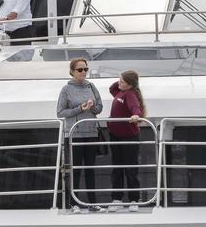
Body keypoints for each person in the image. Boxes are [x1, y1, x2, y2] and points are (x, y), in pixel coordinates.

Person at [56, 58, 103, 209]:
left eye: (85, 69)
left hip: (91, 133)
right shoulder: (66, 89)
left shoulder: (91, 86)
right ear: (72, 72)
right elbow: (60, 112)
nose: (83, 72)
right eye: (80, 70)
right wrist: (80, 109)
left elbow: (99, 108)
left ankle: (92, 203)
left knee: (90, 170)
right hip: (74, 135)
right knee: (75, 170)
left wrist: (92, 106)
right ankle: (73, 203)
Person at [108, 70, 145, 208]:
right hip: (115, 136)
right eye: (119, 80)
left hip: (128, 137)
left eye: (122, 81)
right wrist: (121, 79)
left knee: (130, 168)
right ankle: (117, 199)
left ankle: (134, 199)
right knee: (117, 168)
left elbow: (135, 107)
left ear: (130, 85)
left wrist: (136, 115)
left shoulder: (130, 94)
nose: (119, 83)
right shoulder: (119, 92)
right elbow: (112, 88)